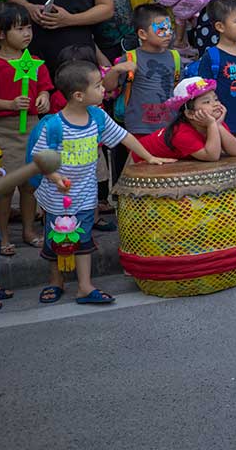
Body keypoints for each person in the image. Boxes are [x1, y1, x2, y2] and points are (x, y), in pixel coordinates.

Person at [31, 60, 173, 306]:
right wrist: (55, 178)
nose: (103, 90)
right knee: (57, 241)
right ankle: (56, 281)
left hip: (85, 194)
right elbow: (40, 158)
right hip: (57, 197)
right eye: (97, 86)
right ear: (78, 95)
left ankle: (85, 287)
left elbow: (124, 136)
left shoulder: (98, 117)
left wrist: (149, 156)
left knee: (83, 240)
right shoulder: (54, 125)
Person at [0, 4, 54, 254]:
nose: (27, 33)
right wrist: (10, 104)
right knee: (4, 185)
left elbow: (44, 87)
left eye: (29, 28)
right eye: (20, 29)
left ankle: (29, 230)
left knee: (31, 183)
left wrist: (44, 98)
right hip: (2, 130)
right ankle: (3, 235)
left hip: (33, 128)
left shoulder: (35, 62)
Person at [193, 0, 236, 156]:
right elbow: (203, 90)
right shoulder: (212, 56)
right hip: (222, 124)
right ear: (220, 26)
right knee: (225, 167)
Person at [132, 77, 236, 161]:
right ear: (190, 113)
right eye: (206, 102)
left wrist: (218, 125)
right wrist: (212, 125)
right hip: (141, 158)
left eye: (216, 99)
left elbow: (235, 151)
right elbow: (212, 156)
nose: (215, 104)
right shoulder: (182, 133)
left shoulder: (213, 122)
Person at [120, 4, 183, 141]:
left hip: (170, 125)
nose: (168, 34)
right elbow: (109, 87)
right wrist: (115, 70)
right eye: (161, 29)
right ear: (142, 34)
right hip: (139, 127)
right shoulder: (131, 58)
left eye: (169, 29)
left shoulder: (175, 57)